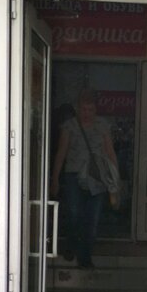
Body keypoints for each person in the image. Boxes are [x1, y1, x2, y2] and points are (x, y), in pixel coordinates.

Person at [50, 89, 119, 269]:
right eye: (84, 109)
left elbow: (110, 153)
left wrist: (114, 181)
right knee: (74, 214)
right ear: (78, 108)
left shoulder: (103, 126)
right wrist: (55, 179)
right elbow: (61, 153)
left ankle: (85, 257)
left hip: (97, 177)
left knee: (92, 220)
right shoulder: (69, 126)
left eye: (90, 109)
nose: (87, 113)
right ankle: (72, 243)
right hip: (73, 175)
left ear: (95, 109)